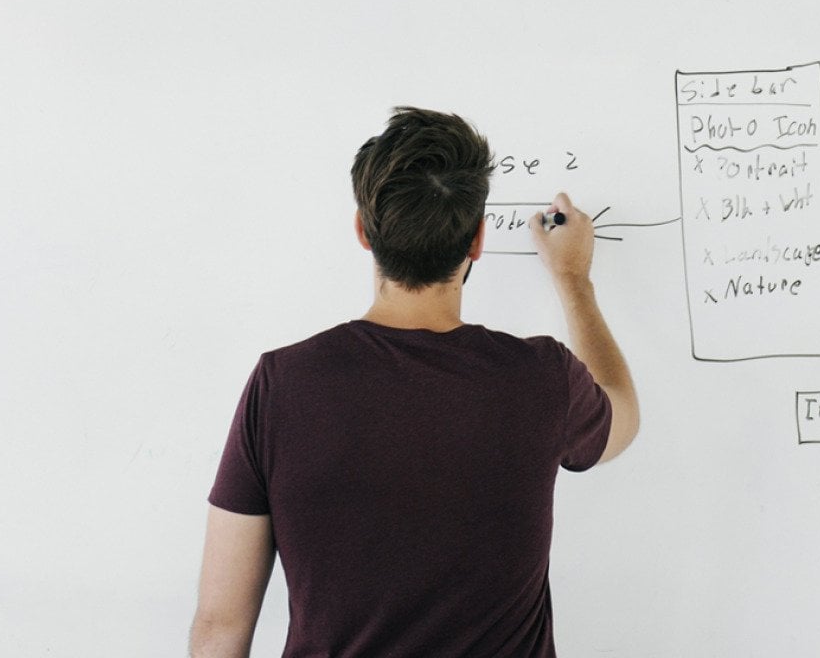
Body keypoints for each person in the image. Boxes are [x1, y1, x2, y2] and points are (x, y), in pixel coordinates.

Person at [189, 107, 640, 657]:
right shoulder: (541, 378)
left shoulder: (281, 385)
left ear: (363, 230)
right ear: (476, 239)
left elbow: (220, 628)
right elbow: (623, 418)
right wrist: (573, 279)